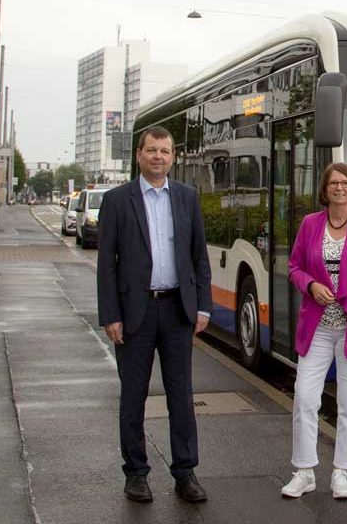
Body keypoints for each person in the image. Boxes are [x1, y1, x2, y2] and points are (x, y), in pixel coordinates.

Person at [97, 125, 213, 504]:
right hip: (135, 313)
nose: (158, 157)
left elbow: (199, 256)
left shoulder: (187, 197)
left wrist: (203, 304)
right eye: (152, 150)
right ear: (139, 155)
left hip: (178, 309)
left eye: (165, 151)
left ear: (173, 156)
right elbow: (107, 264)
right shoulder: (117, 200)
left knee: (181, 396)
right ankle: (136, 474)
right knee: (133, 397)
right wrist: (110, 314)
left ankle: (186, 473)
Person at [282, 162, 347, 500]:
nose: (339, 188)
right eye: (333, 183)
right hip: (317, 327)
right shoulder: (311, 224)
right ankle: (304, 471)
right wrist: (311, 284)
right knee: (305, 398)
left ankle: (342, 472)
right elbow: (294, 266)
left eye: (345, 183)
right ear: (325, 190)